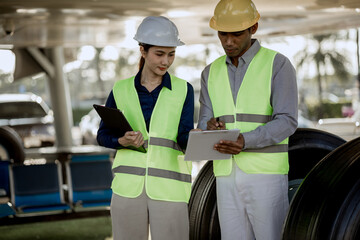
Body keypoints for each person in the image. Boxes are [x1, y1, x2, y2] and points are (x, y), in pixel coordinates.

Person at [197, 0, 298, 239]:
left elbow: (287, 120)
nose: (228, 41)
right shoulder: (209, 73)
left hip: (266, 176)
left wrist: (246, 140)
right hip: (225, 177)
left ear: (253, 28)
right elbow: (203, 123)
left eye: (236, 34)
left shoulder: (278, 65)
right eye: (223, 34)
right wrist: (208, 127)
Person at [97, 16, 194, 240]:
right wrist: (121, 141)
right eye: (159, 54)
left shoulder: (184, 90)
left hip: (170, 189)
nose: (166, 61)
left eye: (171, 54)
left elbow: (183, 136)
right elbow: (102, 135)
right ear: (143, 50)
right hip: (127, 189)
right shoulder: (120, 90)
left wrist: (197, 139)